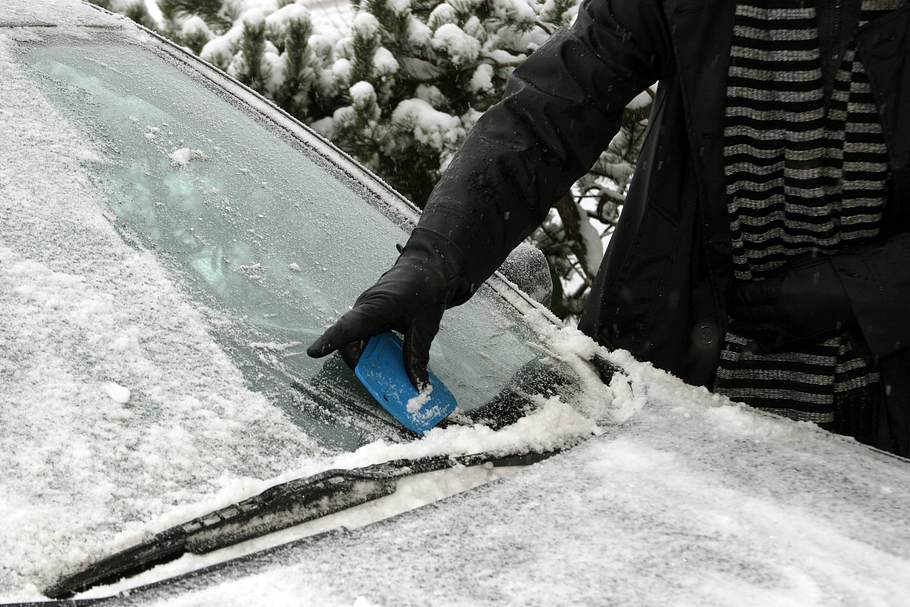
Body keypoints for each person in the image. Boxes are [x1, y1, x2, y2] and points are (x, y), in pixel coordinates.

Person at [308, 0, 910, 456]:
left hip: (878, 416)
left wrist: (861, 289)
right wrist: (435, 258)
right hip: (678, 393)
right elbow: (550, 109)